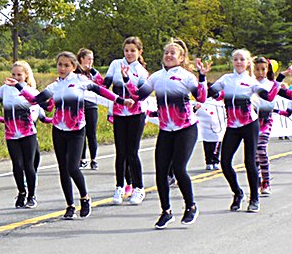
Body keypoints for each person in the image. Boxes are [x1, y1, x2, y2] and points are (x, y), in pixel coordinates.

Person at [7, 52, 134, 219]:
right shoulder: (55, 86)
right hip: (59, 130)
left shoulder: (80, 81)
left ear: (74, 67)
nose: (62, 68)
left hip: (76, 131)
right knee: (63, 169)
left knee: (73, 167)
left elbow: (101, 91)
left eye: (66, 65)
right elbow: (36, 100)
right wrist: (18, 86)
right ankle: (70, 205)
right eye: (60, 64)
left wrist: (120, 100)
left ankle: (85, 197)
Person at [126, 39, 206, 229]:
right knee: (160, 172)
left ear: (181, 58)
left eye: (173, 53)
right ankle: (166, 211)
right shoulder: (156, 77)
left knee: (179, 168)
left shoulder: (186, 76)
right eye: (166, 53)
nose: (168, 56)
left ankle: (191, 206)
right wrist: (126, 80)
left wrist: (202, 77)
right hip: (166, 130)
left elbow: (201, 97)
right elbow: (139, 96)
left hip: (186, 128)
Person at [200, 49, 286, 213]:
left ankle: (254, 198)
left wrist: (277, 82)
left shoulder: (252, 81)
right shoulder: (226, 79)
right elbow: (208, 94)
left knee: (249, 162)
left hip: (249, 125)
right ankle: (238, 193)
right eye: (235, 59)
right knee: (225, 163)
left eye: (242, 59)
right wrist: (202, 76)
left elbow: (267, 97)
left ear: (247, 63)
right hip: (233, 126)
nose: (238, 62)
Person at [0, 61, 45, 209]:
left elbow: (41, 104)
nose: (15, 77)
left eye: (19, 75)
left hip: (28, 133)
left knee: (28, 165)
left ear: (26, 75)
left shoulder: (30, 91)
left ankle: (31, 196)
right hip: (11, 133)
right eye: (13, 74)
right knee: (17, 165)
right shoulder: (5, 89)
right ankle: (21, 192)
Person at [103, 37, 149, 206]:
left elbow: (140, 94)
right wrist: (91, 73)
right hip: (119, 113)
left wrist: (127, 79)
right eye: (127, 50)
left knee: (132, 152)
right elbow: (104, 85)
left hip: (136, 113)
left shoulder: (141, 71)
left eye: (133, 51)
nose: (129, 54)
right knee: (120, 152)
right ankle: (120, 186)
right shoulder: (115, 64)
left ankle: (139, 187)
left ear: (139, 52)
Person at [252, 57, 292, 195]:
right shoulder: (248, 83)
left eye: (263, 69)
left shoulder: (272, 84)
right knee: (253, 154)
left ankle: (266, 182)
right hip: (250, 121)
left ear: (268, 70)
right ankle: (257, 179)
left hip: (265, 121)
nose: (260, 72)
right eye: (257, 69)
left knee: (261, 148)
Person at [75, 48, 103, 170]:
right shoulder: (75, 72)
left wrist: (93, 71)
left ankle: (94, 159)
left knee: (91, 133)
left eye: (92, 59)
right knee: (81, 132)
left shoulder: (93, 73)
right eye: (88, 59)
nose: (91, 61)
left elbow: (102, 84)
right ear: (82, 59)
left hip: (92, 104)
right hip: (79, 105)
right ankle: (82, 158)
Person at [194, 96, 225, 171]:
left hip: (216, 126)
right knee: (207, 144)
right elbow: (193, 112)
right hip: (205, 127)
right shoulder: (200, 102)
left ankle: (216, 161)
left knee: (216, 143)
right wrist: (196, 108)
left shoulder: (218, 103)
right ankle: (209, 162)